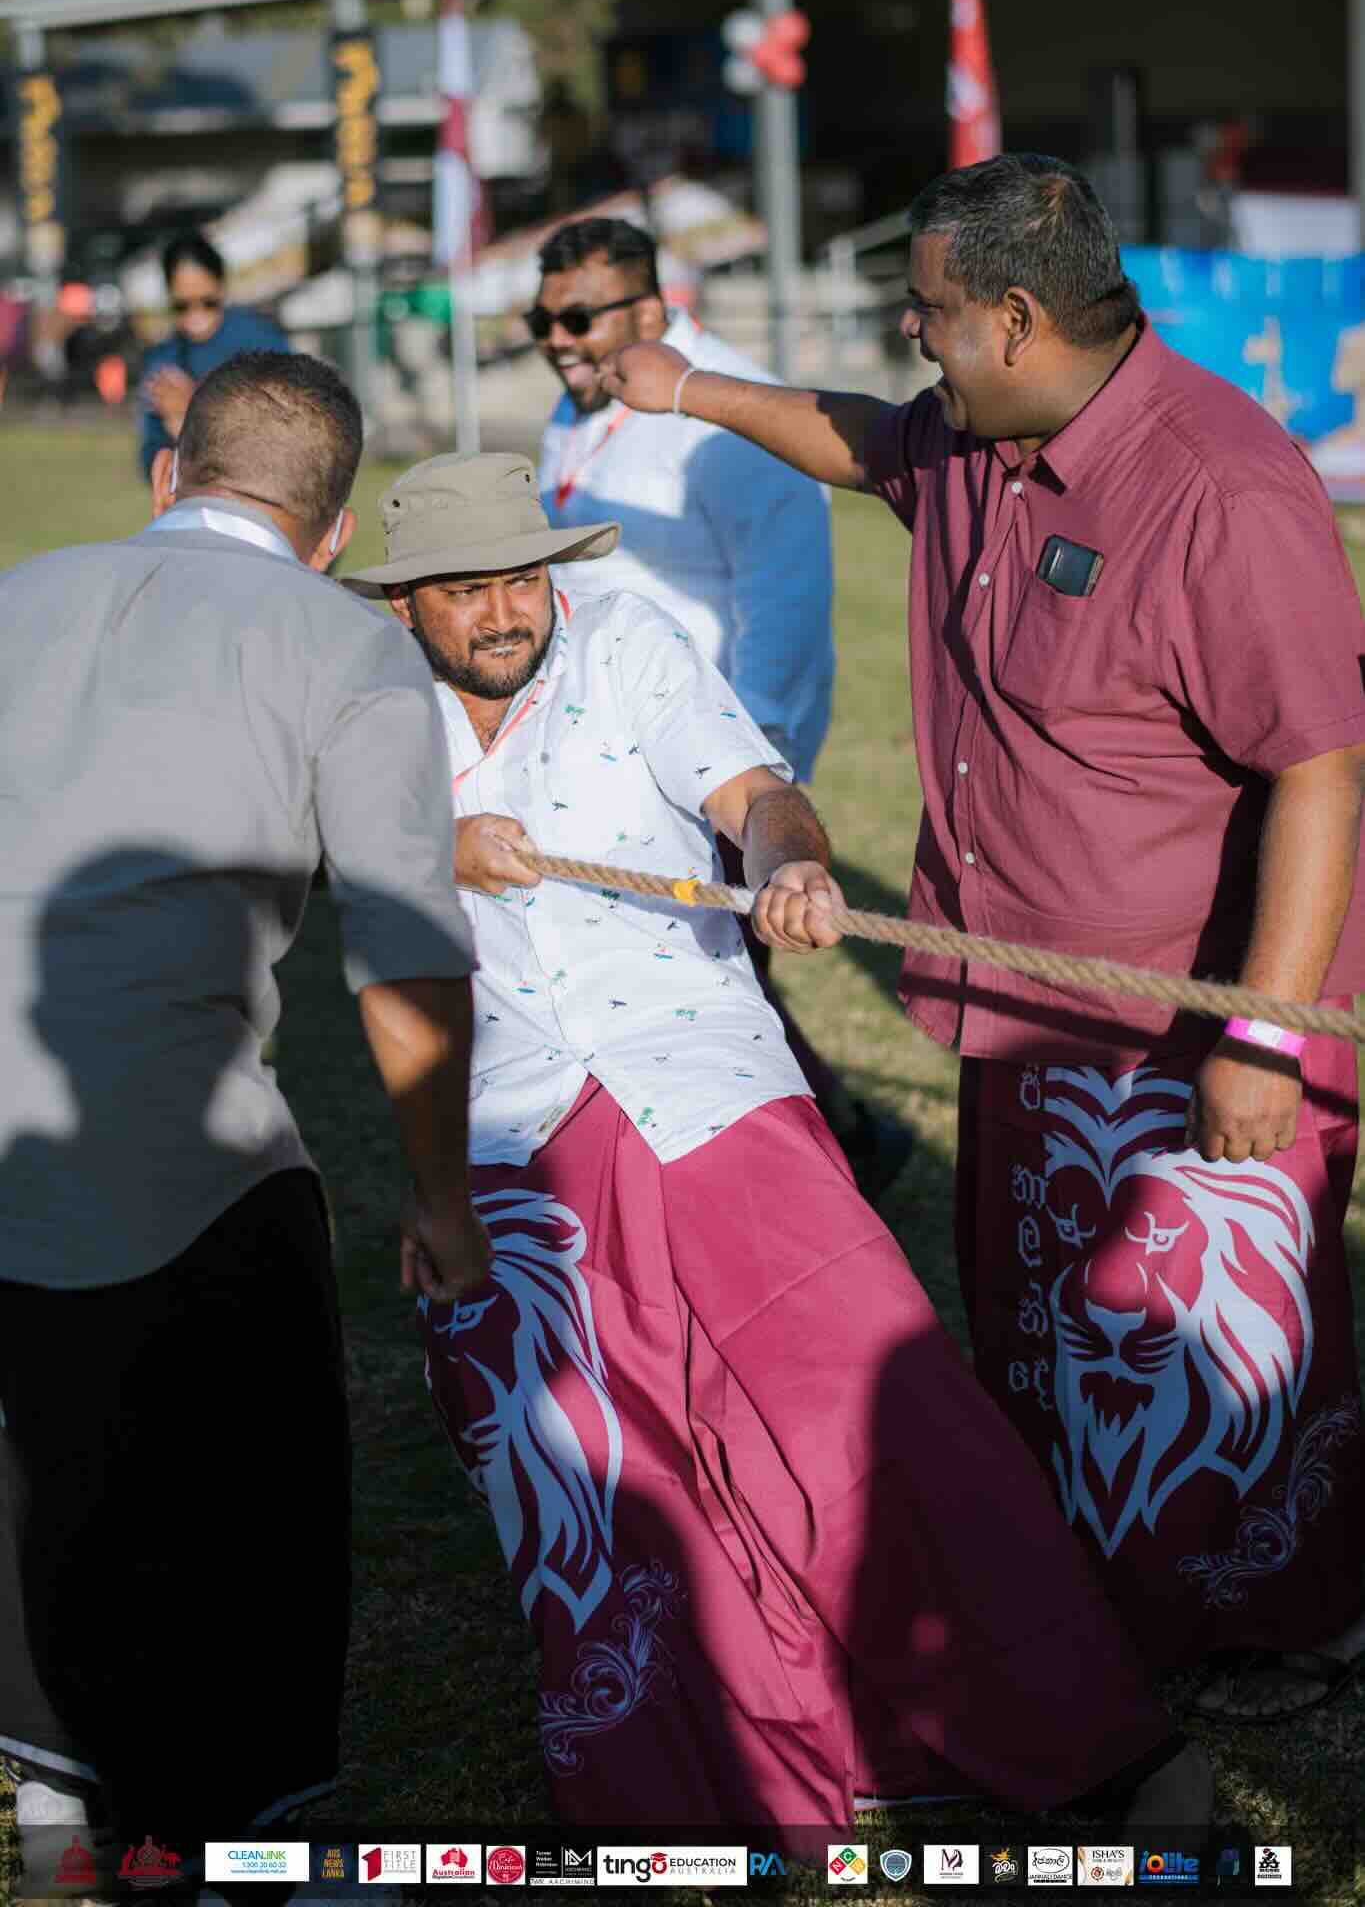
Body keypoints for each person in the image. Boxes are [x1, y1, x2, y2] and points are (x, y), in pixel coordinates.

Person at [596, 152, 1365, 1723]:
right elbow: (855, 437)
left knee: (1208, 1357)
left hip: (1195, 1032)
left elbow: (1323, 767)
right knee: (1052, 1337)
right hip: (1021, 1012)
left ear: (1015, 318)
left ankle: (1278, 1632)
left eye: (928, 313)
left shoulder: (1221, 487)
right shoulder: (966, 432)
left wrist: (1267, 1034)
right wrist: (692, 389)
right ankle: (1105, 1604)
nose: (909, 338)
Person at [345, 448, 1211, 1835]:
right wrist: (424, 845)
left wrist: (790, 859)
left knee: (872, 1392)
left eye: (522, 579)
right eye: (466, 593)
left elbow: (752, 789)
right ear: (403, 609)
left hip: (696, 1067)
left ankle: (1083, 1740)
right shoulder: (363, 715)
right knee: (583, 1454)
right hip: (511, 1121)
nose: (506, 612)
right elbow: (315, 863)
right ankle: (703, 1774)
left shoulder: (623, 642)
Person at [0, 351, 487, 1869]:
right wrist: (440, 1192)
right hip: (170, 1146)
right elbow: (402, 948)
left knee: (37, 1440)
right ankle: (246, 1809)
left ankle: (50, 1783)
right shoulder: (347, 648)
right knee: (262, 1454)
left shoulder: (16, 590)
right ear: (333, 535)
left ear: (168, 475)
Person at [532, 215, 913, 1201]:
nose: (557, 338)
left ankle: (803, 1175)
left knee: (712, 986)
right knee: (686, 973)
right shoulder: (575, 405)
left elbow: (785, 599)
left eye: (578, 316)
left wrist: (756, 783)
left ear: (652, 308)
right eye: (543, 319)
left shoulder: (728, 411)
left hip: (709, 758)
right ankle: (848, 1140)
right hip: (602, 752)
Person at [137, 229, 289, 479]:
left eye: (208, 302)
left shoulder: (260, 342)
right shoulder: (163, 360)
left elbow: (284, 433)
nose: (196, 314)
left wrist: (192, 412)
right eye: (182, 305)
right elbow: (150, 462)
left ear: (221, 289)